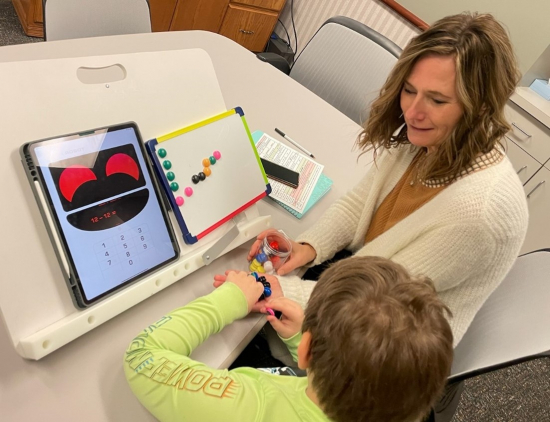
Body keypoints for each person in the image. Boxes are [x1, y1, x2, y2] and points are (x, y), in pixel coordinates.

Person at [217, 12, 528, 347]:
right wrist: (307, 248)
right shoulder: (433, 139)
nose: (412, 112)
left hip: (382, 345)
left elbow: (375, 297)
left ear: (480, 108)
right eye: (409, 90)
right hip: (363, 280)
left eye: (437, 100)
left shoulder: (480, 213)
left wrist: (273, 288)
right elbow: (358, 206)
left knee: (222, 353)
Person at [124, 256, 454, 422]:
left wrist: (230, 299)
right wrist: (301, 337)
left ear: (308, 352)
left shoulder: (251, 408)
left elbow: (141, 357)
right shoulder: (393, 407)